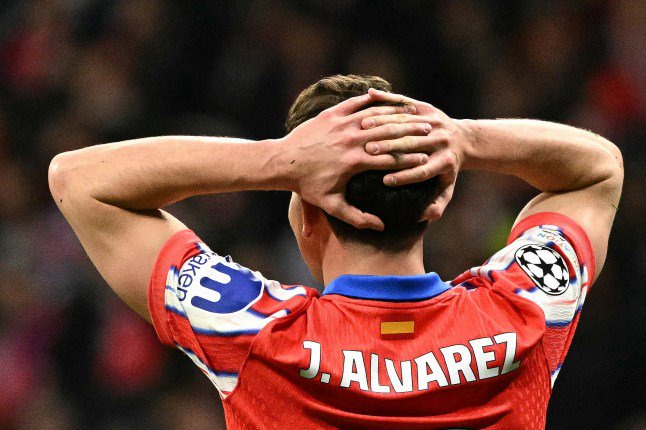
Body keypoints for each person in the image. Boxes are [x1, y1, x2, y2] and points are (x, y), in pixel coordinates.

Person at [49, 75, 623, 429]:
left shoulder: (252, 331)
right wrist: (463, 138)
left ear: (306, 215)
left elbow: (78, 179)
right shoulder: (526, 310)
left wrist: (276, 162)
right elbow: (598, 170)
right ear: (435, 204)